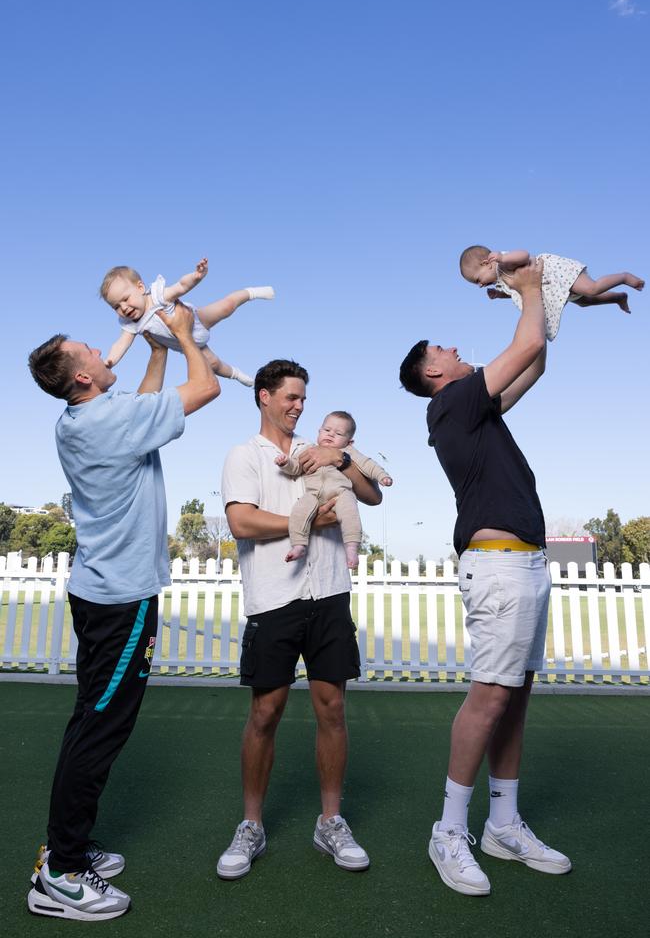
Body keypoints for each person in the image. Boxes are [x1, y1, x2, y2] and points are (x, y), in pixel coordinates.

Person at [26, 302, 219, 921]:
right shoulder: (110, 421)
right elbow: (208, 387)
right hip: (121, 600)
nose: (107, 352)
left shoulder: (81, 418)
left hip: (96, 591)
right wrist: (185, 336)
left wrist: (156, 347)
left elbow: (141, 405)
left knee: (89, 718)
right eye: (93, 353)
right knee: (100, 731)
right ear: (83, 377)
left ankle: (67, 846)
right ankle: (59, 871)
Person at [399, 257, 571, 898]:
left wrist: (539, 300)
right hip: (498, 568)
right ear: (434, 373)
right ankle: (449, 831)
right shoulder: (452, 402)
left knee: (515, 697)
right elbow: (524, 343)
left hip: (524, 563)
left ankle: (503, 823)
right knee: (490, 697)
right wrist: (529, 286)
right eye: (444, 347)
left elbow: (537, 358)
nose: (454, 346)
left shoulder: (477, 409)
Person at [217, 361, 382, 880]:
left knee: (332, 708)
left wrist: (345, 455)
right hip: (273, 598)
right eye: (290, 396)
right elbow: (241, 521)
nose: (299, 406)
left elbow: (372, 495)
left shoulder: (327, 453)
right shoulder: (246, 455)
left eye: (304, 398)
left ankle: (330, 821)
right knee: (265, 713)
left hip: (330, 592)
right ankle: (251, 825)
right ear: (264, 397)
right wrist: (313, 518)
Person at [100, 257, 275, 385]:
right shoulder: (130, 323)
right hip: (190, 344)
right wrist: (110, 361)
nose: (123, 307)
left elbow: (181, 286)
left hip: (197, 320)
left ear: (140, 287)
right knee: (214, 364)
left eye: (125, 299)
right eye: (116, 307)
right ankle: (237, 375)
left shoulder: (158, 296)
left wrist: (196, 276)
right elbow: (121, 344)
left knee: (226, 306)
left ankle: (252, 293)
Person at [275, 410, 392, 567]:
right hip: (313, 494)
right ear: (319, 431)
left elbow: (367, 464)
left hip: (341, 493)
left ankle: (351, 548)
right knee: (299, 510)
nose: (330, 435)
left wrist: (382, 476)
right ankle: (299, 545)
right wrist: (285, 463)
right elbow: (296, 467)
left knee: (350, 512)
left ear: (349, 442)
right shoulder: (309, 450)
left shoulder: (348, 452)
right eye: (327, 430)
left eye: (338, 433)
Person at [459, 245, 644, 339]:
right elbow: (521, 291)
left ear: (486, 263)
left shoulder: (503, 263)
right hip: (549, 287)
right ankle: (618, 297)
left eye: (477, 280)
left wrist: (503, 256)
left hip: (555, 273)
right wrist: (501, 295)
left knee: (591, 288)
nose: (480, 285)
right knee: (584, 301)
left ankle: (624, 277)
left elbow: (524, 254)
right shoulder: (500, 281)